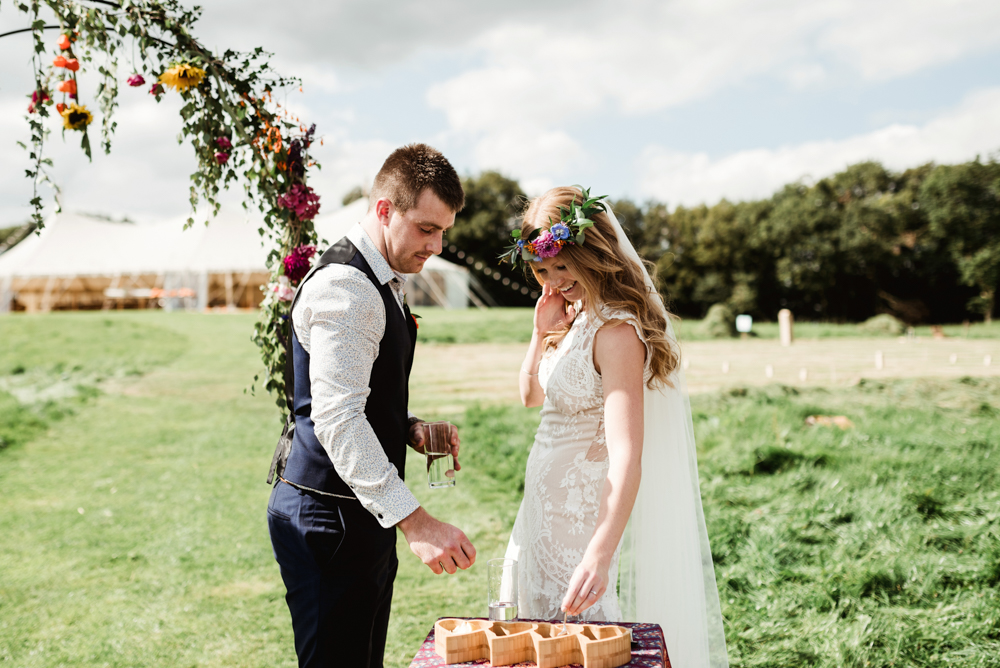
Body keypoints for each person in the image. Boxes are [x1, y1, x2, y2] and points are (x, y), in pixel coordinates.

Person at [267, 144, 477, 668]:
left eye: (444, 231)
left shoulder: (382, 275)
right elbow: (335, 418)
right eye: (426, 228)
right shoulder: (350, 286)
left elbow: (350, 394)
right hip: (329, 516)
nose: (436, 244)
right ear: (384, 209)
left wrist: (407, 428)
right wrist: (418, 523)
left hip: (357, 513)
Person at [502, 186, 728, 668]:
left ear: (594, 254)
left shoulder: (618, 332)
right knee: (539, 647)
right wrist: (540, 332)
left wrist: (599, 555)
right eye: (543, 271)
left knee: (581, 645)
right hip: (538, 513)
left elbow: (627, 455)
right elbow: (530, 397)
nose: (555, 281)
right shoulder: (575, 317)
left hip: (579, 524)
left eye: (563, 267)